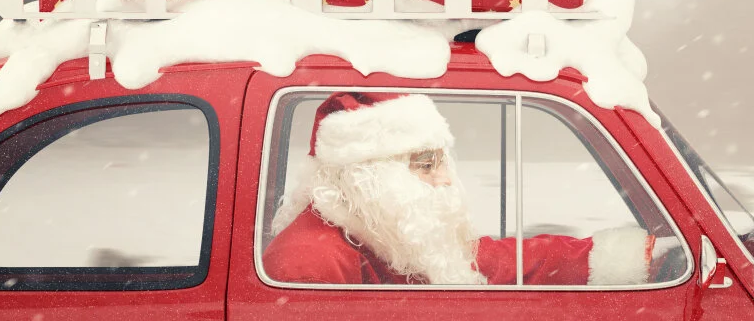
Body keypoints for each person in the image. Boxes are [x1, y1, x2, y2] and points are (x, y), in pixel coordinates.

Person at [262, 91, 671, 286]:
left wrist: (633, 258)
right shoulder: (309, 262)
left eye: (442, 162)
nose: (444, 179)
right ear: (364, 177)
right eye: (426, 165)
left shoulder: (380, 232)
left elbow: (482, 261)